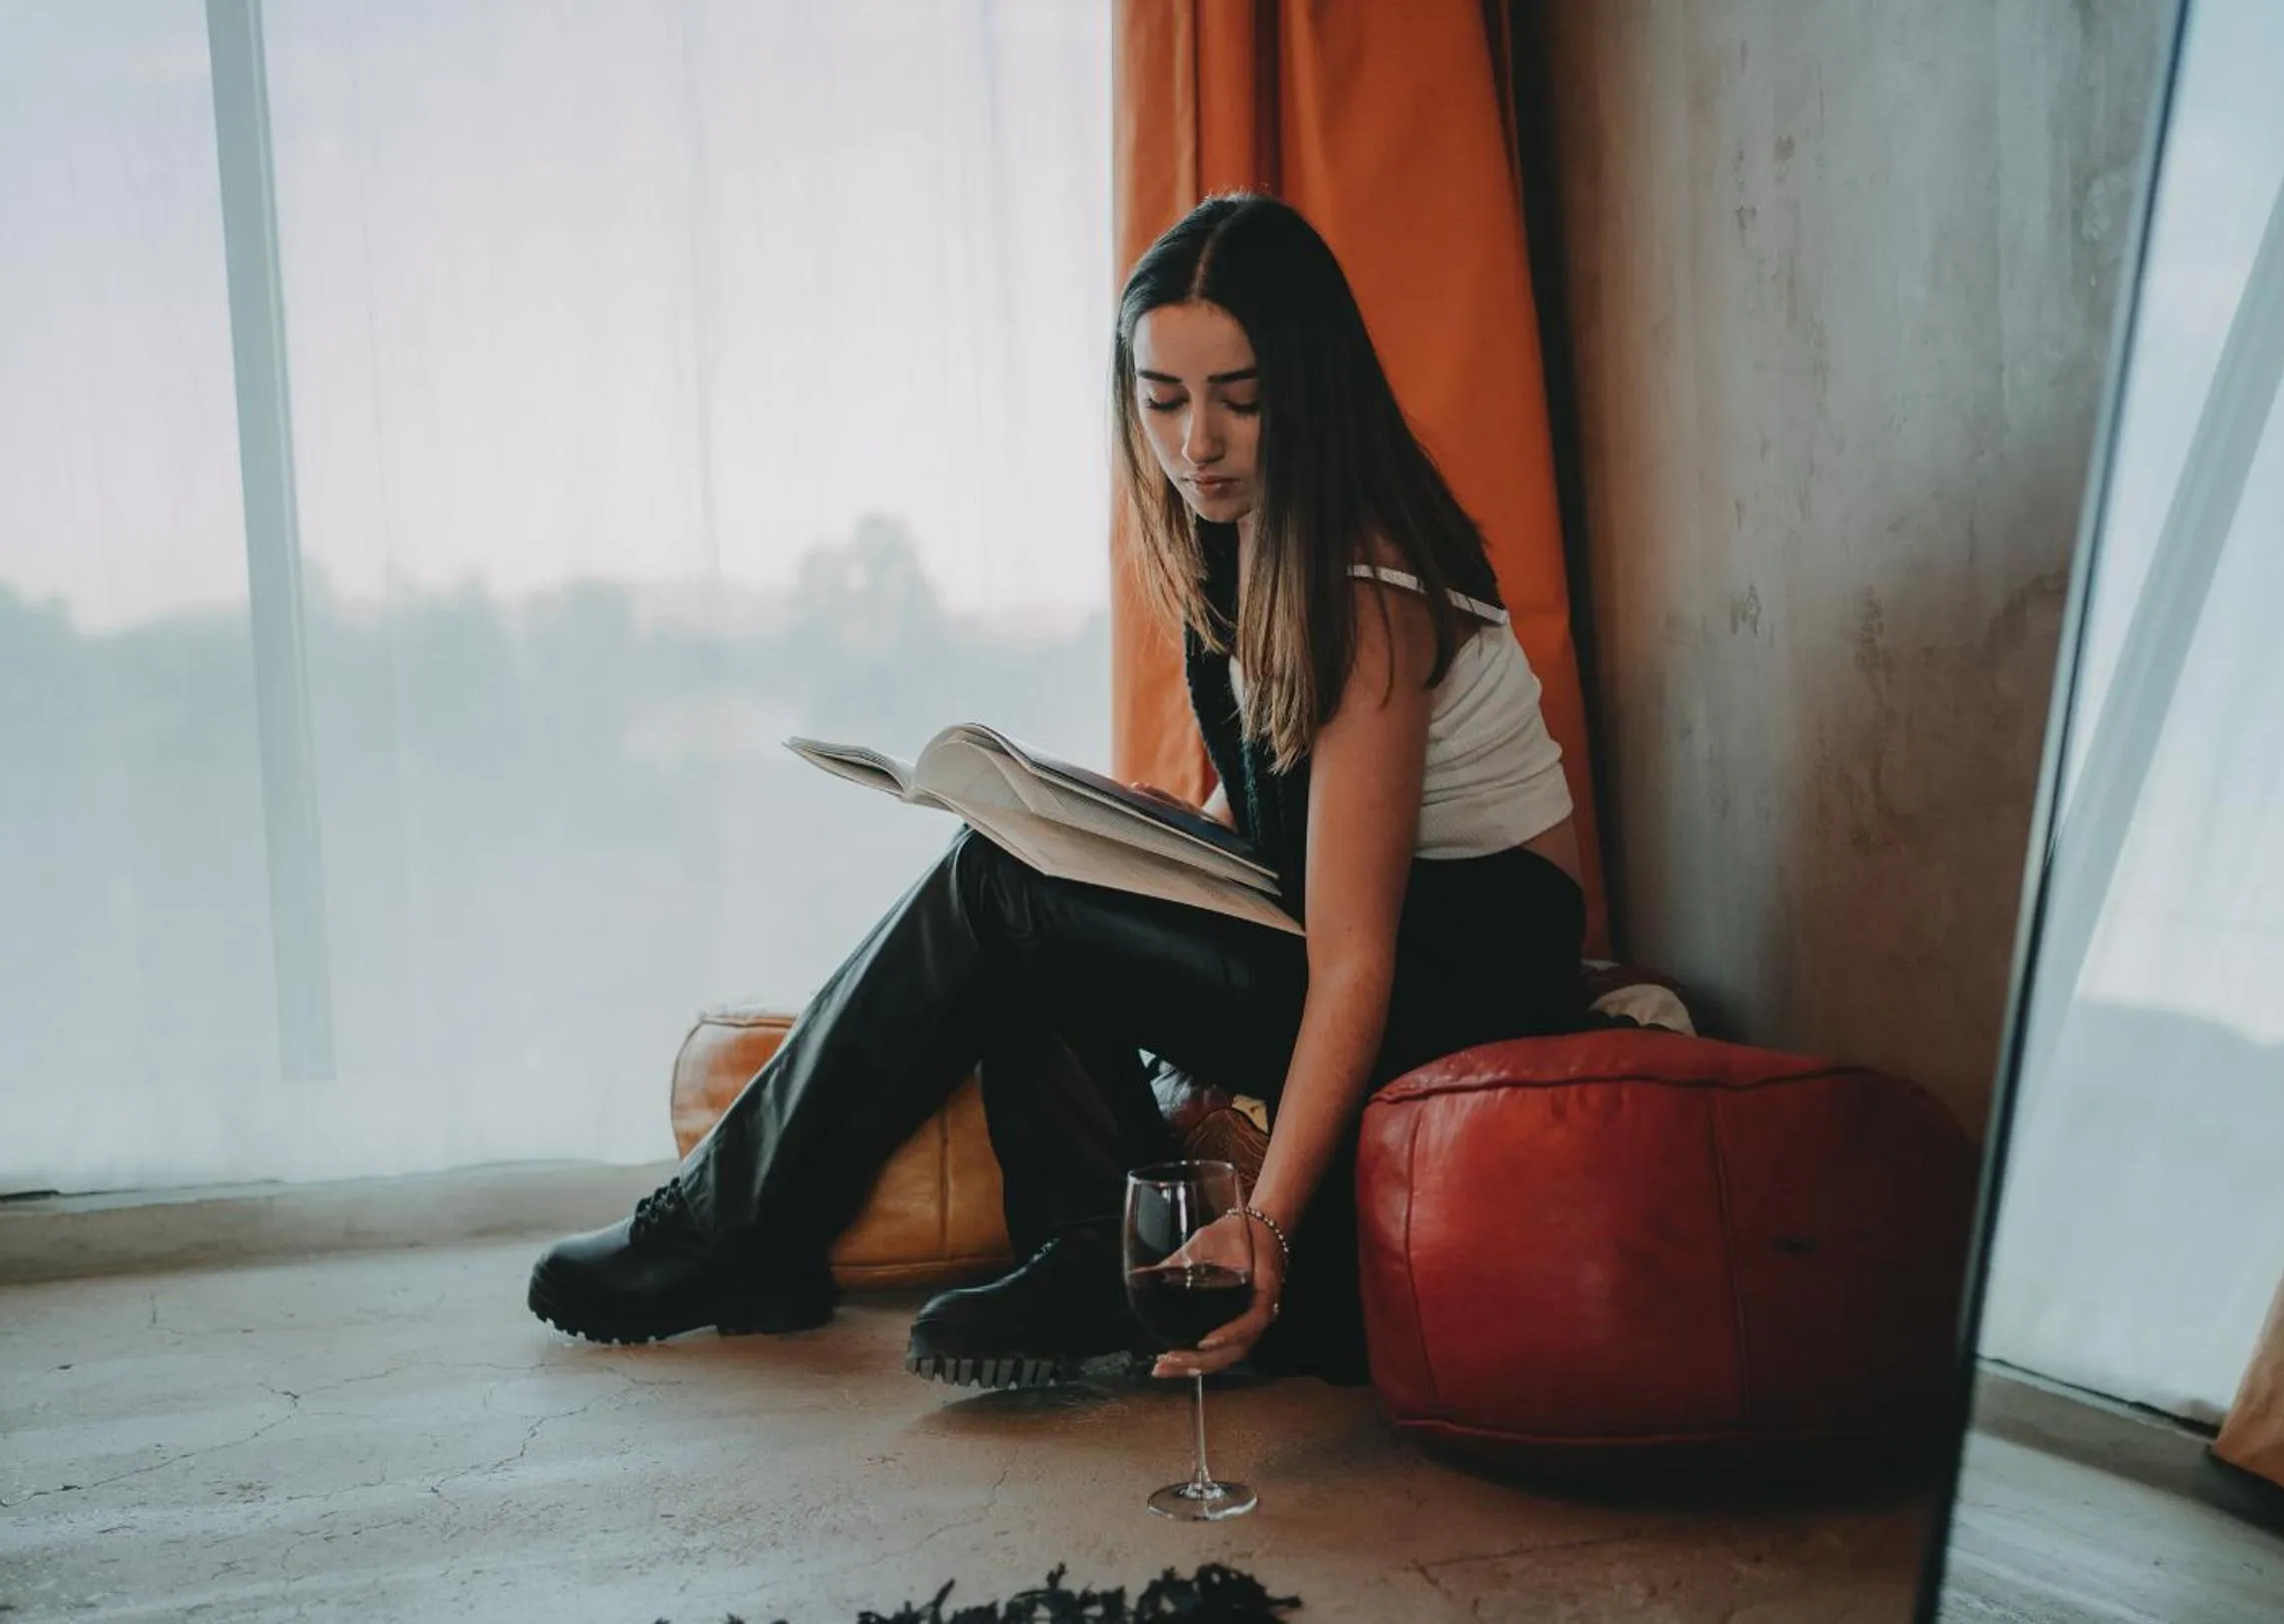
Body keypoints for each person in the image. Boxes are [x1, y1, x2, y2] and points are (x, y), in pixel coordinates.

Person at [527, 192, 1590, 1387]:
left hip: (1463, 976)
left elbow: (1354, 954)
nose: (1198, 442)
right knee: (1029, 865)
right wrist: (1107, 829)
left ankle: (732, 1230)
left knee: (1000, 890)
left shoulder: (1369, 583)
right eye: (1162, 399)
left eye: (1240, 399)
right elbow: (1281, 810)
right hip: (1372, 925)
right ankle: (1088, 1247)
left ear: (1313, 388)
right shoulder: (1247, 542)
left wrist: (1270, 1234)